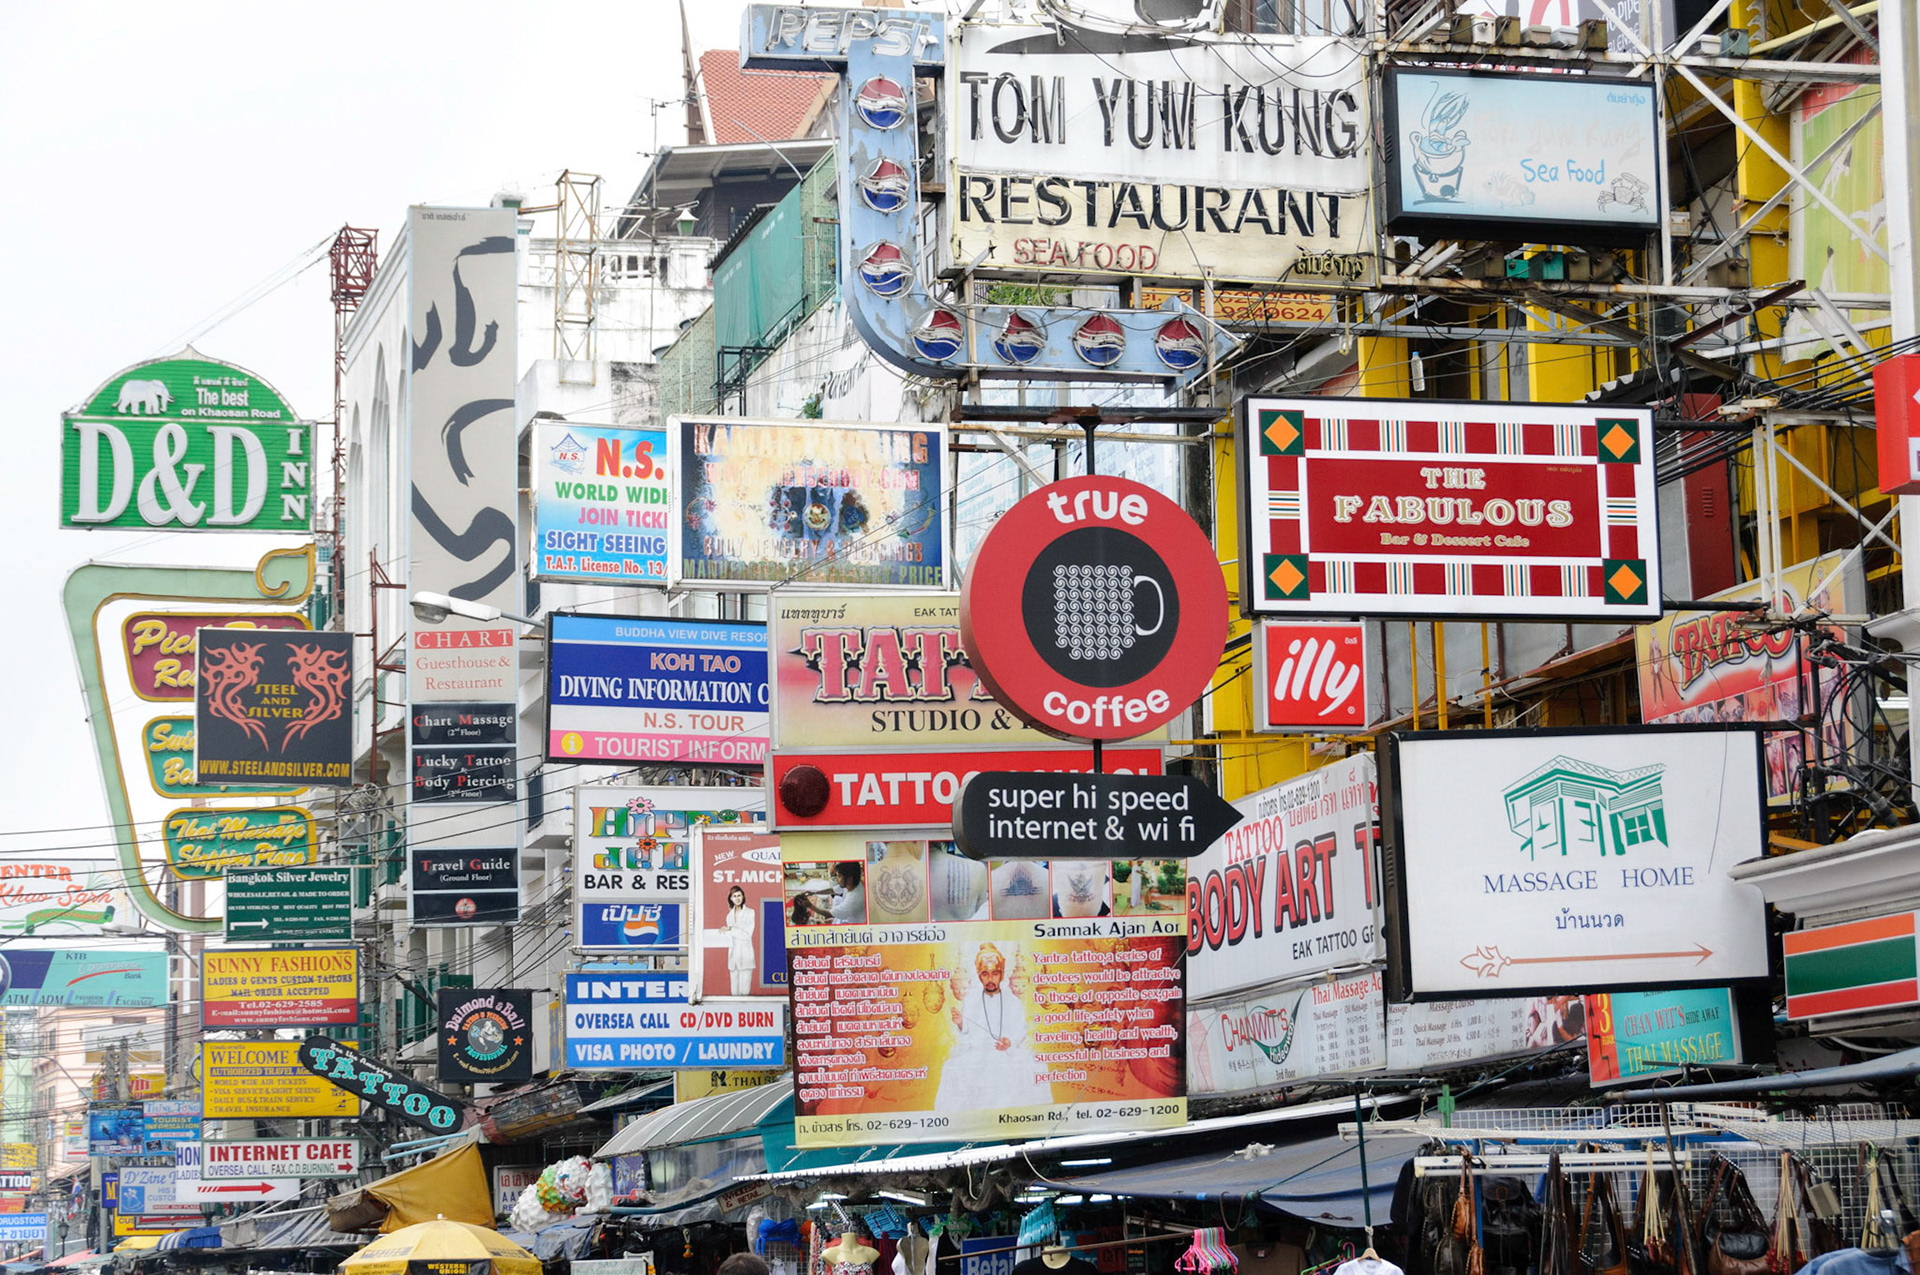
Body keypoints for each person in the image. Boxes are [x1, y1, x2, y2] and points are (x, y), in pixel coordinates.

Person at [933, 941, 1050, 1112]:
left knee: (1035, 1066)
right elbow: (966, 1031)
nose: (990, 979)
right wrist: (960, 1022)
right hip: (978, 1051)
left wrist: (1009, 1042)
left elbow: (1020, 1030)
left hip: (1007, 1051)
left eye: (995, 974)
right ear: (979, 976)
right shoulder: (971, 1000)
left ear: (1001, 975)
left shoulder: (1013, 1001)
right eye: (985, 974)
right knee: (951, 1067)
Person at [723, 884, 755, 995]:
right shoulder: (729, 916)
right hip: (733, 957)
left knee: (744, 992)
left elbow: (747, 934)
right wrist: (724, 931)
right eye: (734, 896)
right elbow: (730, 936)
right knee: (734, 992)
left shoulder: (750, 913)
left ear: (743, 896)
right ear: (731, 898)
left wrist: (731, 929)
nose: (737, 898)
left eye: (739, 895)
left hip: (745, 956)